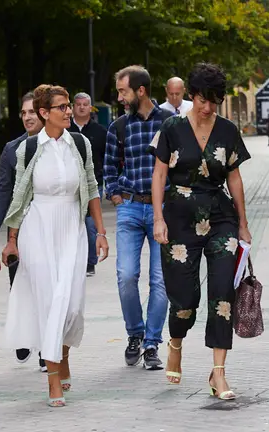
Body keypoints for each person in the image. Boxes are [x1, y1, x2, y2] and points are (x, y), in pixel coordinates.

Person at [151, 62, 252, 401]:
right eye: (203, 100)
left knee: (223, 292)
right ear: (191, 95)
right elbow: (160, 176)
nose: (208, 108)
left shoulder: (227, 130)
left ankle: (219, 373)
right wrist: (158, 219)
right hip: (178, 219)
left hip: (220, 216)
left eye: (215, 101)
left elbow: (234, 177)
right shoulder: (171, 127)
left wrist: (243, 224)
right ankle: (176, 341)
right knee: (185, 300)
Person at [3, 84, 108, 407]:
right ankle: (52, 381)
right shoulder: (30, 149)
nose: (68, 111)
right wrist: (11, 240)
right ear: (44, 113)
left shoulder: (80, 143)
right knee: (51, 303)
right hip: (39, 228)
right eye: (61, 107)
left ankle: (62, 356)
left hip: (72, 229)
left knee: (72, 306)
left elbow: (90, 187)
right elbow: (20, 195)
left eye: (68, 106)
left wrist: (101, 232)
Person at [104, 65, 171, 369]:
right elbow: (108, 168)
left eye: (123, 91)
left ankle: (152, 343)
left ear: (140, 91)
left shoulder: (170, 123)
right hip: (130, 208)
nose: (119, 96)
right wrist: (115, 193)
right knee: (126, 275)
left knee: (160, 281)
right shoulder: (118, 127)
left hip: (164, 211)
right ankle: (135, 333)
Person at [0, 92, 44, 367]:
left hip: (48, 225)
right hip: (18, 230)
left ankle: (47, 348)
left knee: (46, 287)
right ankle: (23, 336)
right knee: (19, 284)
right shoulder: (12, 149)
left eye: (33, 111)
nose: (28, 117)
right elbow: (3, 192)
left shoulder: (56, 144)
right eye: (24, 113)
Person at [68, 92, 107, 276]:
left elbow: (107, 158)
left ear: (90, 108)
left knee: (91, 224)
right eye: (78, 104)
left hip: (93, 184)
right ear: (73, 107)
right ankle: (72, 260)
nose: (82, 107)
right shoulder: (65, 131)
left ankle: (90, 262)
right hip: (70, 185)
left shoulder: (100, 132)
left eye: (85, 104)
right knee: (71, 223)